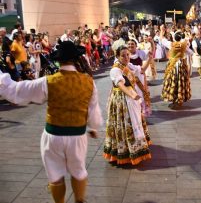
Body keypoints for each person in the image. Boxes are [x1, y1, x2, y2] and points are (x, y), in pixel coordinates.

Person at [0, 41, 103, 203]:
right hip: (77, 136)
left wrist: (1, 77)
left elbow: (16, 91)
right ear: (76, 59)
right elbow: (94, 116)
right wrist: (93, 127)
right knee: (78, 171)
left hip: (53, 136)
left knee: (55, 175)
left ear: (59, 60)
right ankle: (79, 200)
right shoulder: (88, 82)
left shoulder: (48, 81)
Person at [103, 46, 152, 165]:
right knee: (124, 123)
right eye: (123, 55)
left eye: (127, 55)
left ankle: (135, 148)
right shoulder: (115, 70)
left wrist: (150, 58)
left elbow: (141, 70)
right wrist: (132, 94)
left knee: (134, 122)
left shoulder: (128, 66)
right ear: (117, 56)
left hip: (131, 98)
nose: (126, 57)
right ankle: (125, 151)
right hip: (121, 99)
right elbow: (120, 84)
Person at [160, 26, 192, 109]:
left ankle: (174, 99)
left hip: (172, 65)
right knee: (180, 81)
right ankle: (179, 100)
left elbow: (162, 39)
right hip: (181, 65)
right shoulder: (184, 45)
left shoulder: (171, 44)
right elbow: (190, 52)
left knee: (172, 81)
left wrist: (162, 30)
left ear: (174, 38)